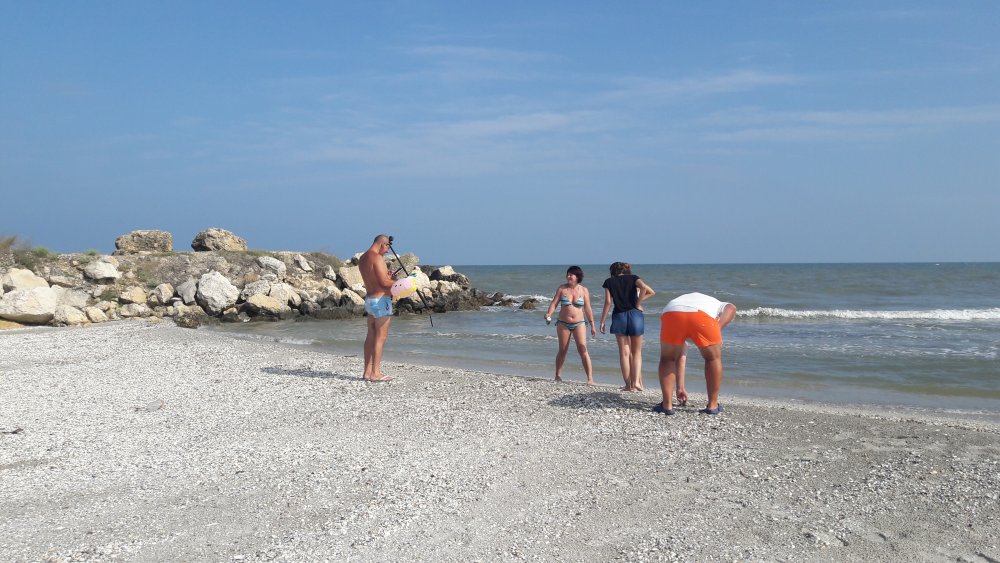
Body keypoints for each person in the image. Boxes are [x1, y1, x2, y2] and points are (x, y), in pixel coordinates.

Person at [655, 292, 737, 415]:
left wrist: (680, 387)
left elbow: (681, 355)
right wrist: (717, 328)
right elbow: (732, 308)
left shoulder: (690, 300)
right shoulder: (720, 305)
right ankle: (713, 405)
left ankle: (667, 405)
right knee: (712, 358)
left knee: (668, 359)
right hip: (701, 316)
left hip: (672, 312)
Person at [599, 262, 655, 392]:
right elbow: (645, 288)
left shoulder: (609, 282)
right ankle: (637, 382)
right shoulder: (634, 278)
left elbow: (608, 302)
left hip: (619, 316)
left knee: (624, 353)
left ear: (613, 271)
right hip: (635, 315)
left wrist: (602, 321)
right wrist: (637, 303)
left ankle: (628, 385)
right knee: (637, 352)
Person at [543, 266, 597, 384]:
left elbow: (588, 308)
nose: (568, 276)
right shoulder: (562, 288)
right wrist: (549, 313)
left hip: (579, 323)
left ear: (577, 276)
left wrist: (592, 325)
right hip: (563, 324)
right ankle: (557, 375)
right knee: (562, 350)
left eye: (571, 275)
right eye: (567, 274)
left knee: (583, 349)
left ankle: (590, 378)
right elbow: (554, 303)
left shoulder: (584, 290)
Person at [359, 234, 397, 382]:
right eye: (387, 248)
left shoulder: (363, 258)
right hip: (381, 301)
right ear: (383, 244)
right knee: (381, 337)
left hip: (370, 300)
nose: (387, 251)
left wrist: (388, 278)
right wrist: (400, 283)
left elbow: (375, 279)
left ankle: (367, 372)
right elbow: (383, 283)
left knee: (371, 335)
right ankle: (376, 373)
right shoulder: (378, 258)